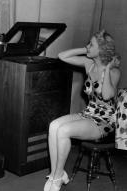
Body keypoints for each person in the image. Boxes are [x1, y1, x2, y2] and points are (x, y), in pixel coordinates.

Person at [44, 29, 121, 191]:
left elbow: (107, 95)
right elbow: (62, 56)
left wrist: (106, 69)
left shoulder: (114, 72)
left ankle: (57, 178)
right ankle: (56, 174)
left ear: (101, 49)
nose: (87, 46)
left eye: (91, 44)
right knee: (53, 126)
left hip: (103, 122)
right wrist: (86, 50)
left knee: (63, 131)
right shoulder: (89, 64)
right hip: (88, 114)